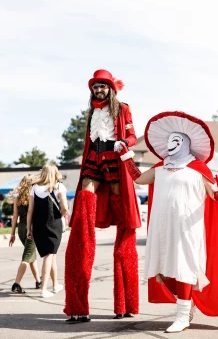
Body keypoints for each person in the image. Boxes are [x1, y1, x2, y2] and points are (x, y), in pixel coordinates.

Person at [116, 111, 218, 333]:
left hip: (188, 228)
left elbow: (215, 196)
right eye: (169, 140)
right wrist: (127, 155)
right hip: (162, 227)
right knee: (162, 272)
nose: (171, 144)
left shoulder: (198, 168)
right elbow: (139, 178)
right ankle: (187, 304)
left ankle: (182, 316)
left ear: (186, 143)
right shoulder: (161, 167)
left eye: (176, 140)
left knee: (184, 269)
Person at [64, 69, 141, 323]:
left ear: (110, 88)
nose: (99, 90)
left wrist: (125, 144)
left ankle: (124, 303)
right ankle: (83, 231)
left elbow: (131, 134)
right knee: (85, 200)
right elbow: (89, 140)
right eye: (95, 86)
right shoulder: (91, 113)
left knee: (122, 214)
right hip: (93, 159)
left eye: (102, 86)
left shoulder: (123, 108)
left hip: (114, 159)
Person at [27, 163, 68, 298]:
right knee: (49, 256)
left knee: (51, 255)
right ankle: (43, 288)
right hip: (53, 225)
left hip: (38, 226)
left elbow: (30, 211)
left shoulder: (34, 188)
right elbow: (65, 208)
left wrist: (29, 228)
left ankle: (55, 284)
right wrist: (61, 216)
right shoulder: (58, 186)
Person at [9, 175, 41, 294]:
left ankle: (38, 281)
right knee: (27, 257)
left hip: (21, 229)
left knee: (31, 255)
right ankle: (16, 284)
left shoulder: (18, 198)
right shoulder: (33, 196)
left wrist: (12, 234)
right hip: (30, 229)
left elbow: (15, 217)